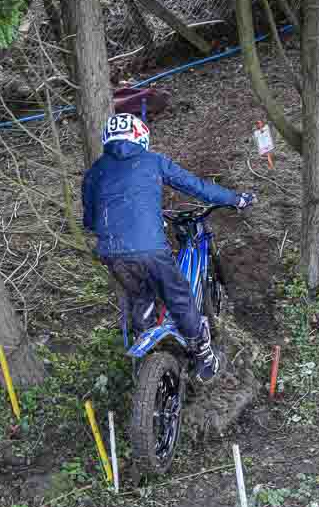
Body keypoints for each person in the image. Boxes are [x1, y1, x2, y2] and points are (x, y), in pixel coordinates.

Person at [82, 113, 255, 383]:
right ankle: (204, 355)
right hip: (149, 248)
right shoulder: (153, 161)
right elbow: (195, 186)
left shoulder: (95, 171)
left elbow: (90, 221)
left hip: (111, 253)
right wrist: (235, 198)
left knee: (140, 295)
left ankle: (147, 343)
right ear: (140, 136)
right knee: (179, 295)